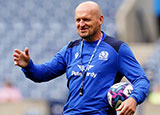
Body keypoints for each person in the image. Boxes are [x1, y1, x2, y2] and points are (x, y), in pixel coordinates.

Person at [13, 1, 150, 115]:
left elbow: (141, 80)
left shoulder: (117, 48)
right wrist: (28, 66)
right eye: (78, 20)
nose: (81, 24)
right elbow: (42, 74)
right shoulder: (71, 48)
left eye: (86, 19)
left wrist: (133, 99)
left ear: (100, 20)